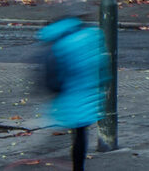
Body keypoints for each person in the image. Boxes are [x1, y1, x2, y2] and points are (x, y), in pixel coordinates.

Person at [39, 12, 104, 171]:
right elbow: (101, 63)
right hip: (86, 90)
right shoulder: (91, 36)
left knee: (74, 130)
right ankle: (78, 167)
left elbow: (54, 73)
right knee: (80, 132)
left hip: (68, 91)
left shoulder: (61, 43)